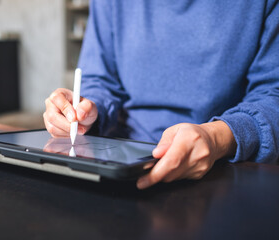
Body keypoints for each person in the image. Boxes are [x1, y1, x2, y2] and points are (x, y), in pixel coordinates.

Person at [44, 0, 279, 189]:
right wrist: (87, 108)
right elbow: (100, 79)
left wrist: (218, 138)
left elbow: (273, 93)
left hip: (223, 169)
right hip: (120, 162)